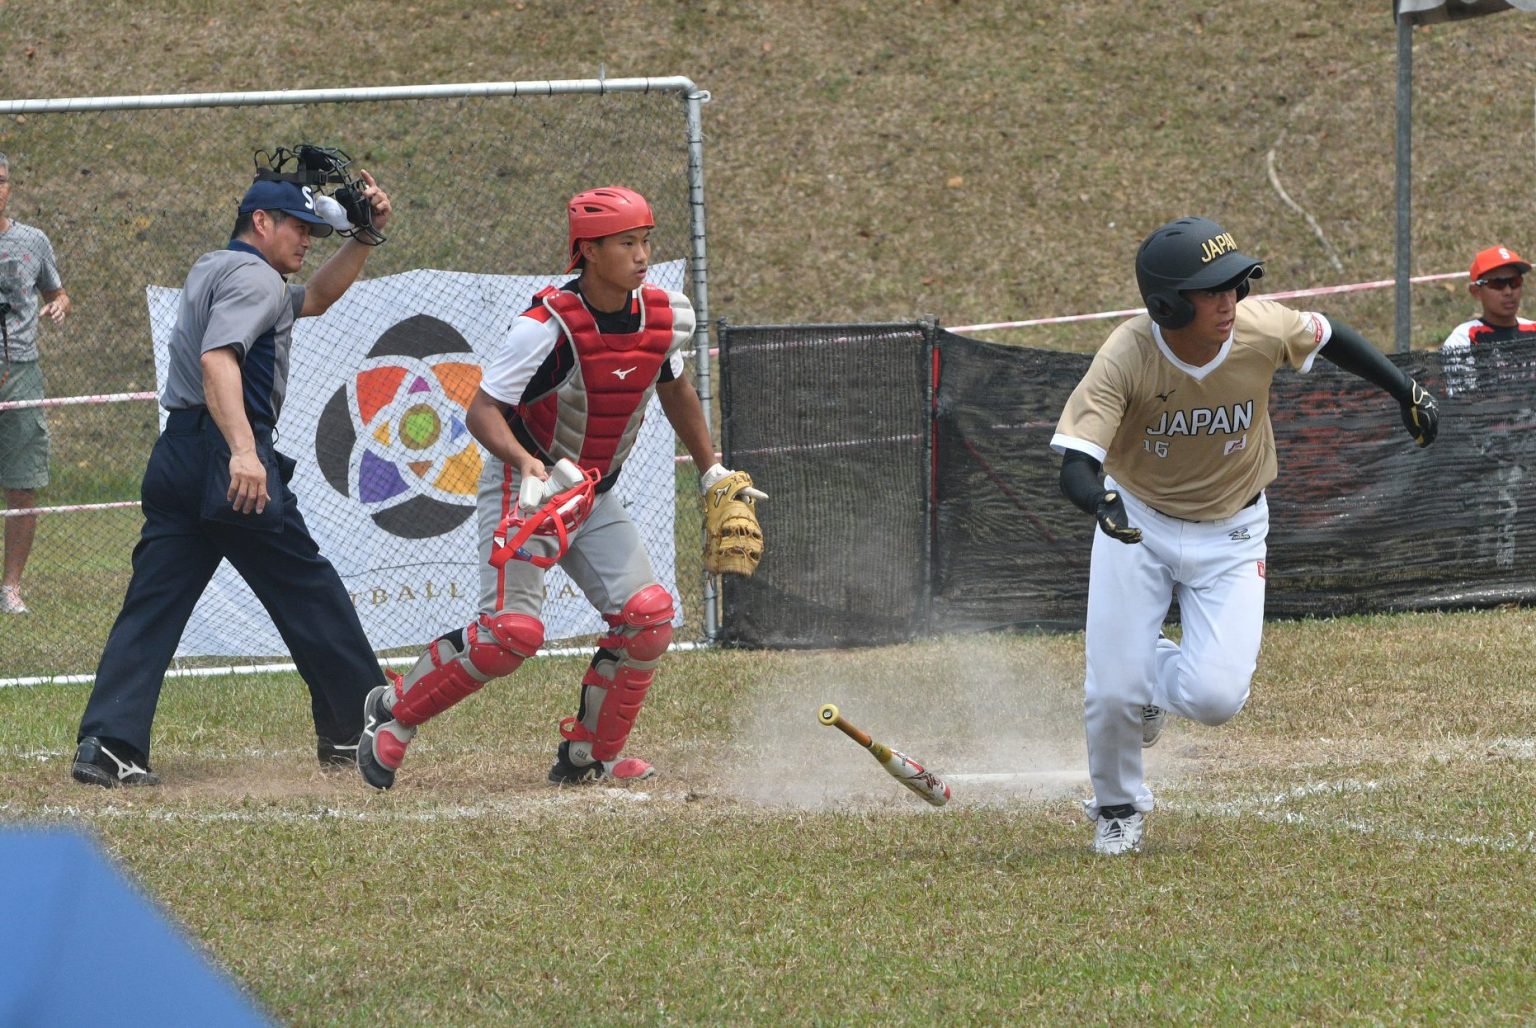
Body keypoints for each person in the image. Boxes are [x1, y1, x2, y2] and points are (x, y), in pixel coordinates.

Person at [1050, 216, 1439, 855]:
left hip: (1233, 529)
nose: (1231, 301)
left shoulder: (1258, 329)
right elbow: (1076, 463)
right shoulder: (1127, 354)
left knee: (1214, 697)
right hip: (1138, 524)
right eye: (1212, 291)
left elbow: (1331, 334)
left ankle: (1147, 678)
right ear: (1168, 303)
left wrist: (1405, 389)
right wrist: (1099, 503)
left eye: (1235, 285)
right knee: (1110, 692)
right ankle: (1117, 806)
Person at [356, 185, 755, 790]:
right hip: (528, 488)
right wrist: (527, 463)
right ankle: (393, 714)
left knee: (649, 619)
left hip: (592, 493)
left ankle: (587, 756)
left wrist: (711, 470)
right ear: (589, 251)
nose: (643, 255)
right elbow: (482, 411)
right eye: (627, 243)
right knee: (509, 636)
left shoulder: (664, 316)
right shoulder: (545, 327)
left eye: (646, 240)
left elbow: (673, 388)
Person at [71, 162, 394, 787]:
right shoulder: (255, 277)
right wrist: (245, 453)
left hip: (178, 457)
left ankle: (107, 745)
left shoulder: (218, 266)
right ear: (261, 221)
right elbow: (220, 359)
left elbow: (318, 299)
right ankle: (357, 725)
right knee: (309, 588)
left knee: (152, 607)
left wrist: (363, 239)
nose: (305, 239)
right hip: (227, 457)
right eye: (296, 227)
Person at [0, 152, 71, 615]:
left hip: (20, 374)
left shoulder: (33, 241)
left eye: (1, 179)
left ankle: (10, 588)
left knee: (22, 486)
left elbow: (56, 291)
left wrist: (62, 303)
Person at [1440, 245, 1536, 398]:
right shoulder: (1464, 338)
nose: (1508, 292)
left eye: (1514, 282)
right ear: (1476, 292)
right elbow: (1463, 403)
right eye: (1497, 284)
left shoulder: (1533, 329)